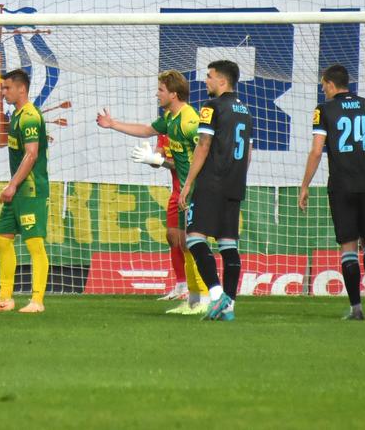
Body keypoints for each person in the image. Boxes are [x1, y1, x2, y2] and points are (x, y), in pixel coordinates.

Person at [97, 70, 208, 314]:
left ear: (173, 93)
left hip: (196, 189)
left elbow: (207, 151)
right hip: (182, 189)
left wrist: (194, 185)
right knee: (183, 242)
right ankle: (193, 299)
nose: (156, 94)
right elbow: (147, 130)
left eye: (160, 90)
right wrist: (113, 124)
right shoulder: (170, 118)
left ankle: (205, 298)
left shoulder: (190, 121)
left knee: (194, 243)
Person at [301, 64, 365, 320]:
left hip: (342, 185)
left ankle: (356, 307)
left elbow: (316, 151)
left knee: (348, 246)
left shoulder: (325, 110)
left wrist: (305, 185)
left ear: (331, 84)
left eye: (323, 86)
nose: (323, 91)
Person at [180, 59, 253, 322]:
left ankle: (216, 293)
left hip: (212, 181)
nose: (206, 81)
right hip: (235, 182)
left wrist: (188, 183)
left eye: (209, 76)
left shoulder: (211, 106)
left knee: (195, 238)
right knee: (228, 243)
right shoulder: (245, 110)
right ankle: (229, 306)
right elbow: (249, 153)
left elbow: (203, 144)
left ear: (222, 80)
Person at [0, 67, 51, 314]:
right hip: (19, 190)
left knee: (34, 244)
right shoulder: (17, 116)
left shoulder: (30, 116)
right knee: (1, 238)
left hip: (30, 190)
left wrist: (12, 184)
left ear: (22, 89)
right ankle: (4, 299)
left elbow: (31, 154)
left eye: (7, 88)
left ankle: (37, 301)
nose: (4, 93)